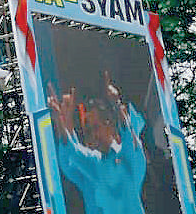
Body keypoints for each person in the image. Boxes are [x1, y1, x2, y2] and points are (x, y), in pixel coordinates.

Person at [47, 74, 147, 214]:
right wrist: (60, 121)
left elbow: (131, 141)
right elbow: (70, 155)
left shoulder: (128, 160)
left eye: (96, 128)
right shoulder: (92, 163)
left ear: (109, 124)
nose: (93, 136)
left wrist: (116, 104)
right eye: (88, 131)